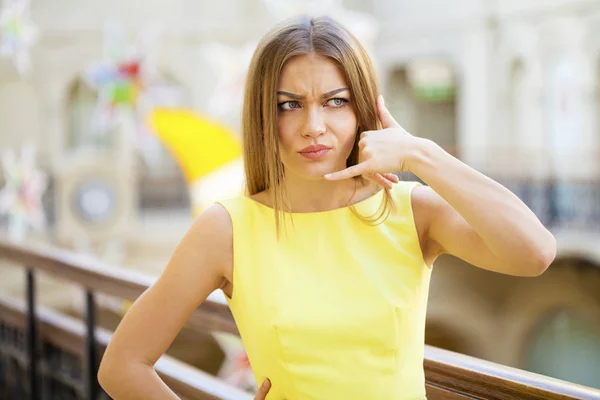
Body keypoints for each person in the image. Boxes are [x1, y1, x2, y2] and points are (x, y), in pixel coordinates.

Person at [98, 15, 556, 400]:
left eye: (335, 102)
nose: (313, 126)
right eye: (288, 105)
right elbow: (122, 366)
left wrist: (420, 153)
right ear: (262, 116)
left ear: (362, 110)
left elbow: (534, 252)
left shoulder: (412, 212)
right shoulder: (228, 229)